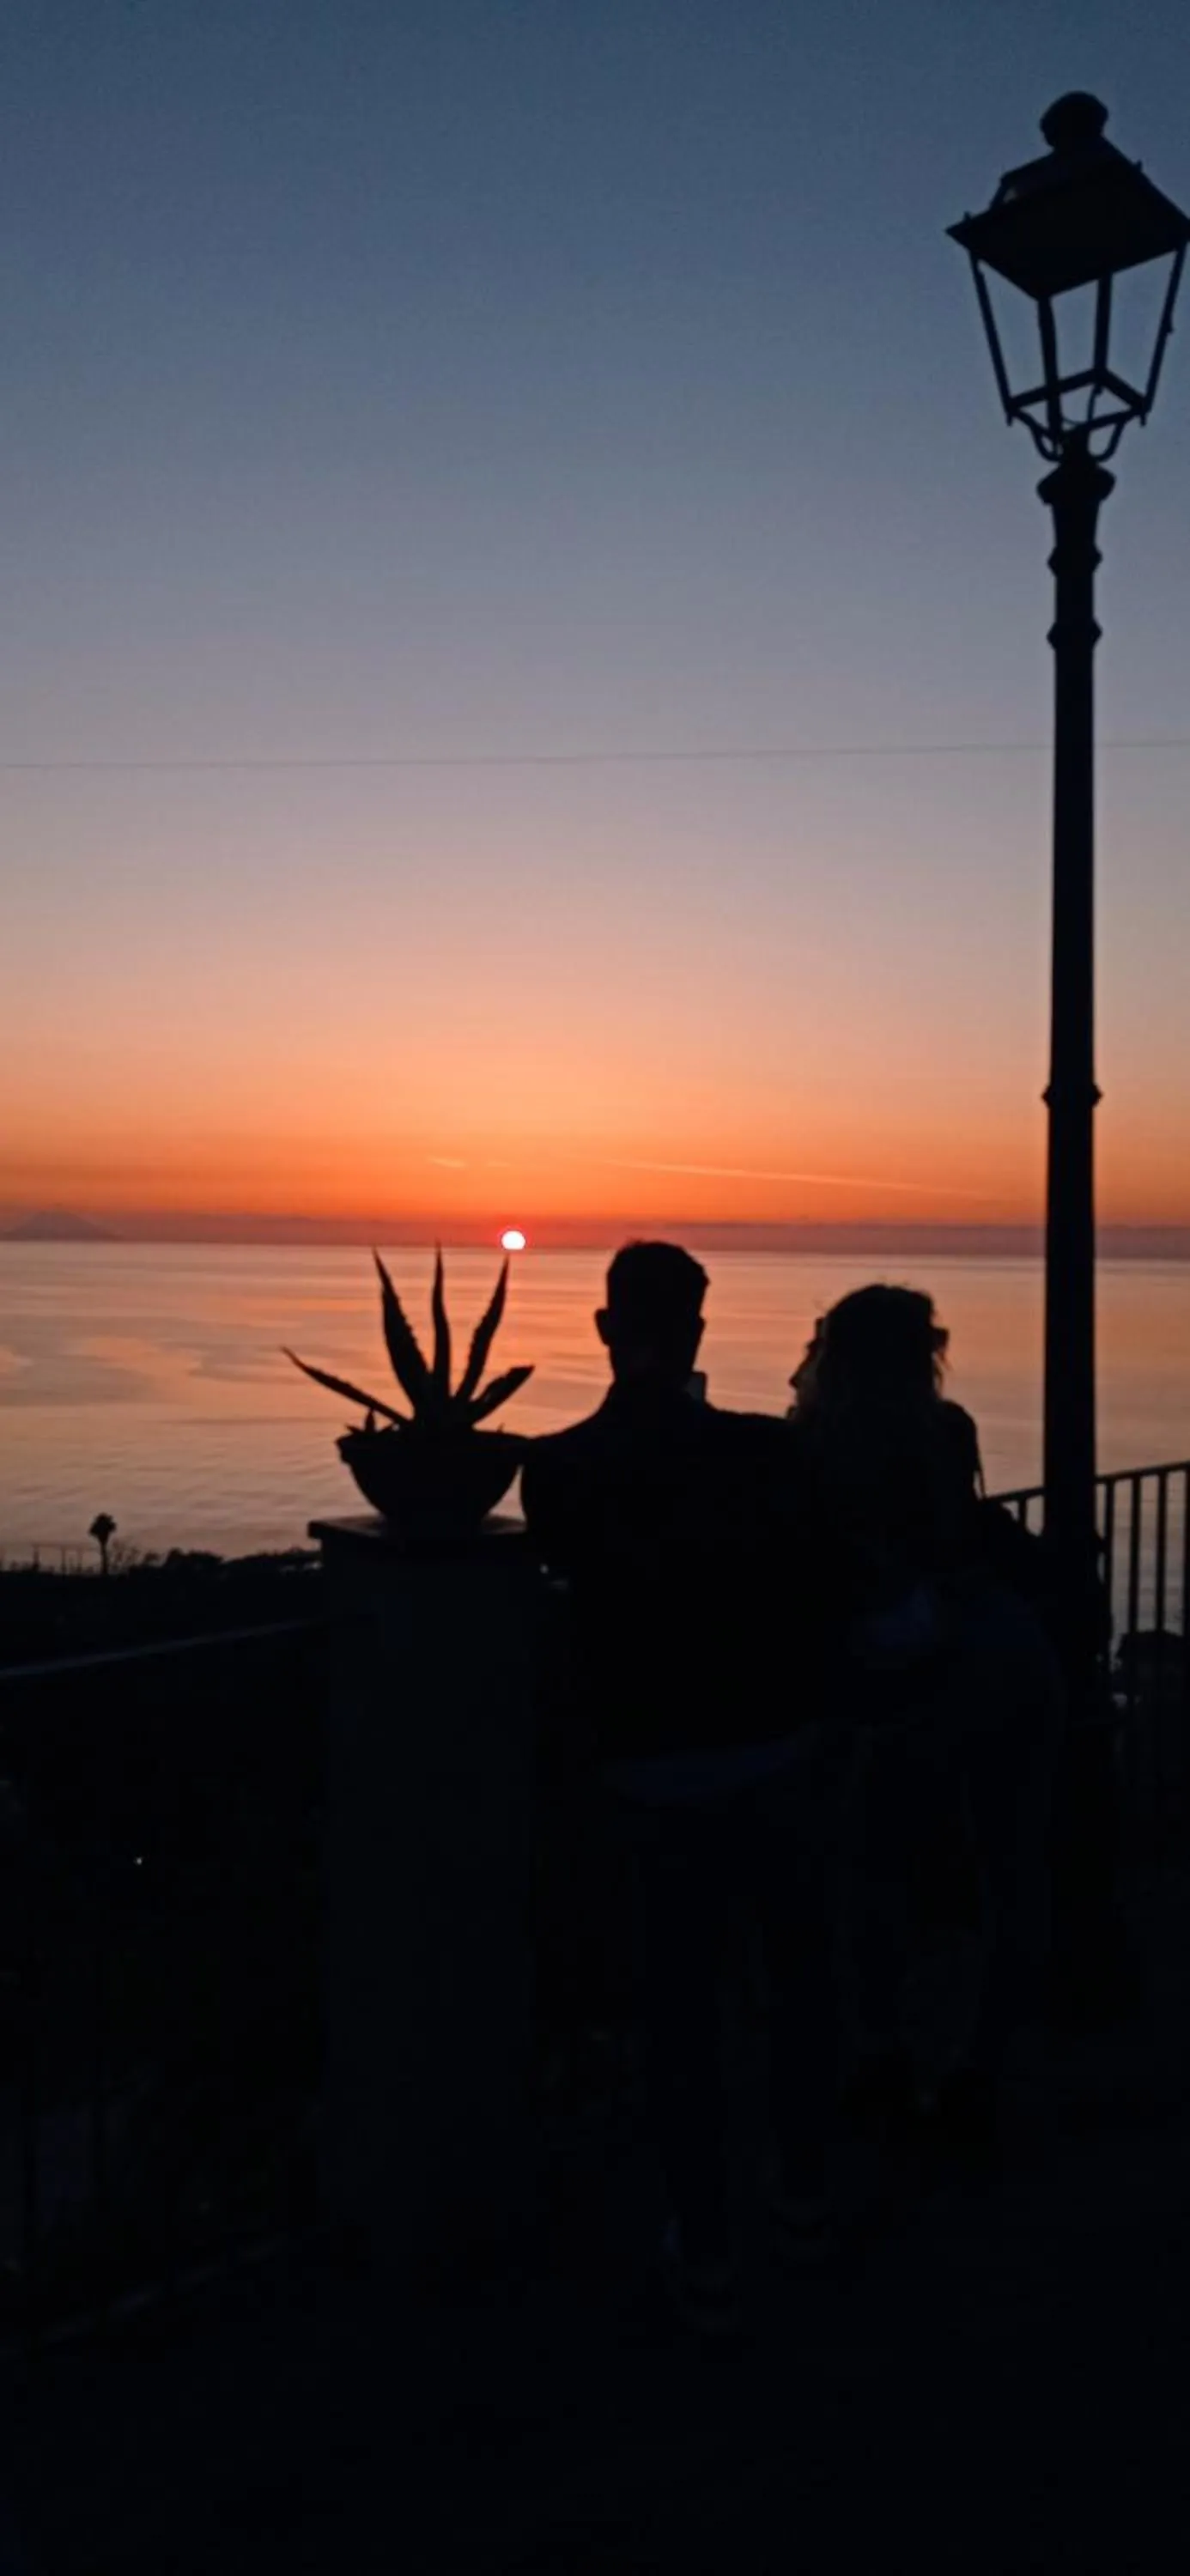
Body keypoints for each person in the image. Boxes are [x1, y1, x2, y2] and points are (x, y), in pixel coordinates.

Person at [522, 1242, 842, 2333]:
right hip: (776, 1760)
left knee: (682, 2027)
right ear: (700, 1332)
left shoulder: (556, 1472)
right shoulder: (765, 1457)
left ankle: (705, 2248)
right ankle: (803, 2204)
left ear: (607, 1331)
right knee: (798, 1996)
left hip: (649, 1781)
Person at [787, 1285, 1063, 2152]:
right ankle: (974, 2070)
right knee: (998, 1870)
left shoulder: (812, 1448)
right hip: (998, 1659)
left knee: (878, 1878)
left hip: (900, 1685)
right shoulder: (946, 1432)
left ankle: (887, 2058)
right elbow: (959, 1541)